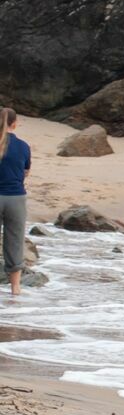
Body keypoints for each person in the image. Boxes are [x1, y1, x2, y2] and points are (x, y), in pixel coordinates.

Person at [1, 108, 29, 299]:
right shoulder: (23, 146)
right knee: (15, 242)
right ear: (15, 123)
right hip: (16, 197)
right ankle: (15, 290)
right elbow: (25, 172)